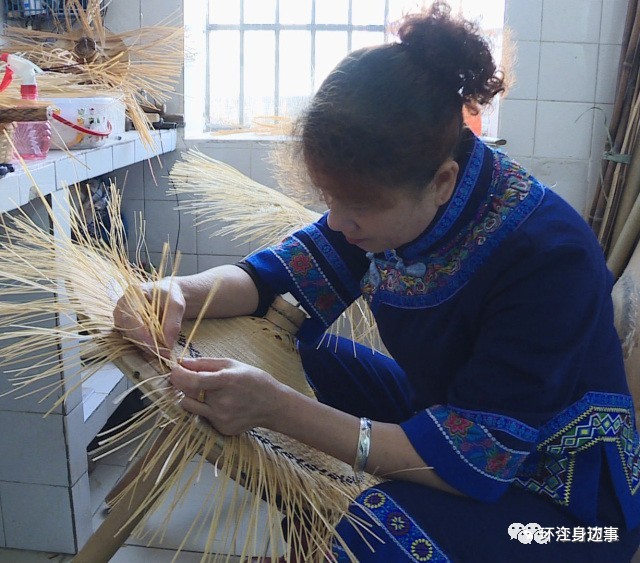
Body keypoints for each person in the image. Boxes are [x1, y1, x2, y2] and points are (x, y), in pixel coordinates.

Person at [114, 3, 640, 561]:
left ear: (441, 182)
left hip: (567, 509)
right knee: (301, 354)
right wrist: (176, 290)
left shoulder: (548, 259)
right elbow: (268, 280)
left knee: (376, 531)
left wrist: (278, 409)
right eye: (329, 200)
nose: (338, 222)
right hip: (446, 417)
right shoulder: (392, 190)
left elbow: (469, 465)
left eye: (356, 206)